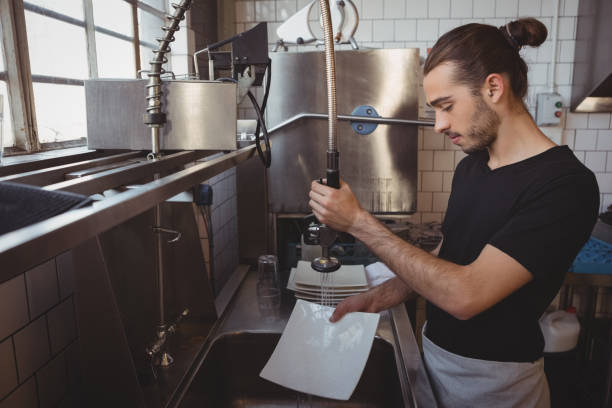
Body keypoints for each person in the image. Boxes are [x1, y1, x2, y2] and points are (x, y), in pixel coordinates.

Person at [308, 18, 600, 408]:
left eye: (446, 107)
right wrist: (384, 295)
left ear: (494, 87)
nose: (438, 125)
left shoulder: (564, 185)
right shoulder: (472, 166)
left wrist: (359, 222)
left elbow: (466, 294)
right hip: (434, 362)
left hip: (497, 388)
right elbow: (450, 258)